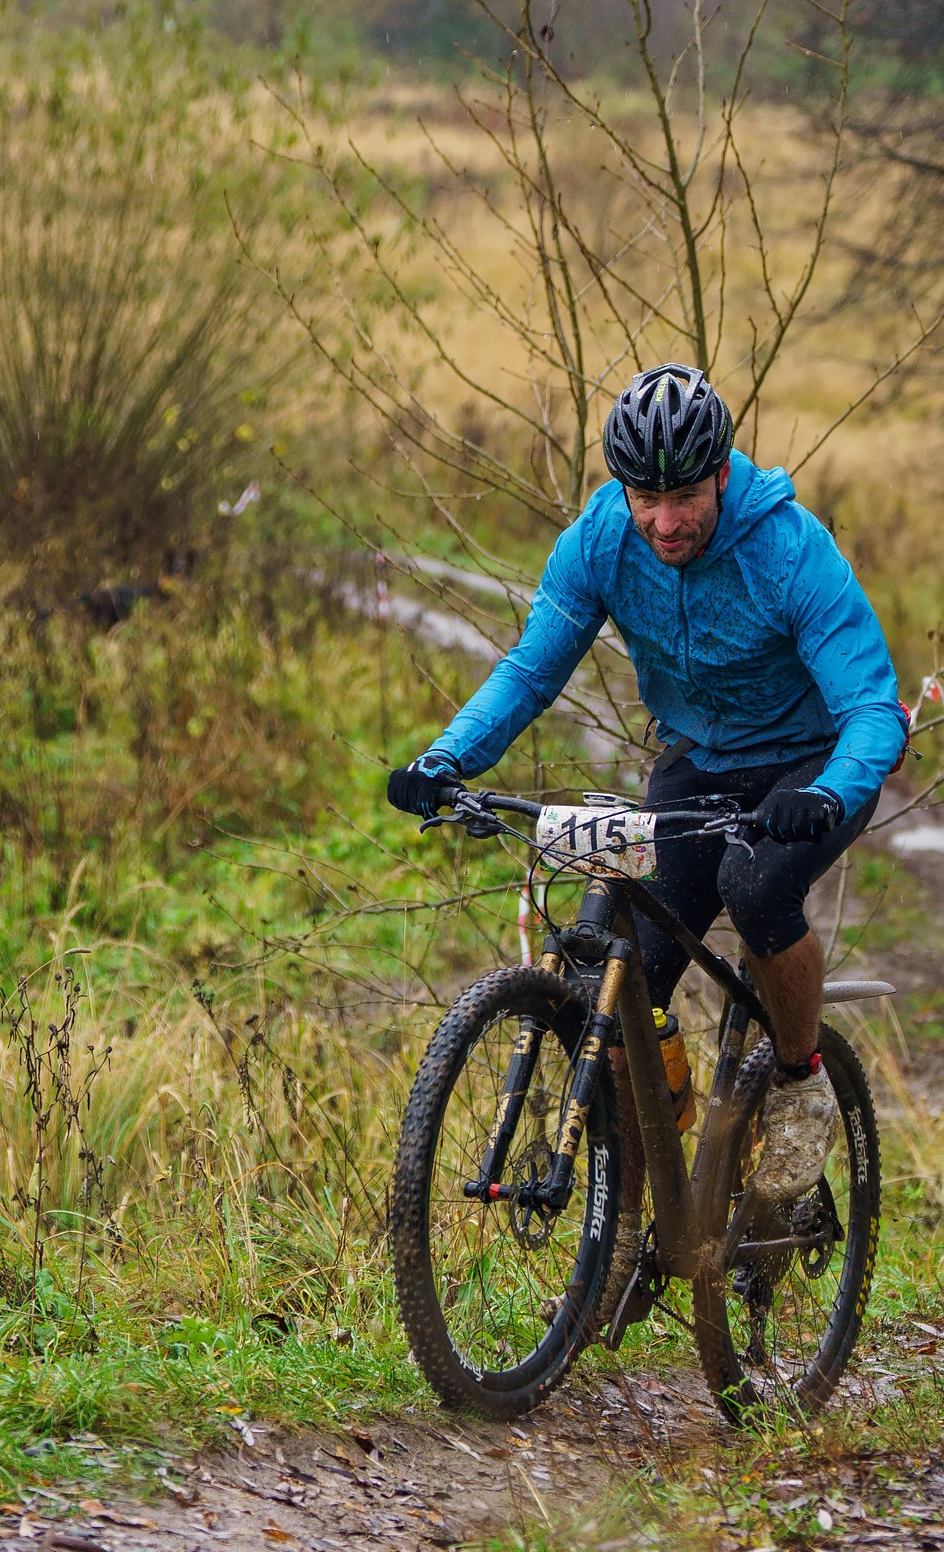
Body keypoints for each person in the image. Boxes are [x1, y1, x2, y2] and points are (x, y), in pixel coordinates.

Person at [386, 364, 904, 1203]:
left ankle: (801, 1082)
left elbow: (873, 707)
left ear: (723, 473)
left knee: (756, 886)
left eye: (687, 497)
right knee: (623, 970)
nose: (666, 522)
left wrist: (832, 791)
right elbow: (530, 671)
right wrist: (446, 758)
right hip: (698, 763)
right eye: (646, 498)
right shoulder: (599, 541)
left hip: (809, 767)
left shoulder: (788, 548)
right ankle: (631, 1217)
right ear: (622, 488)